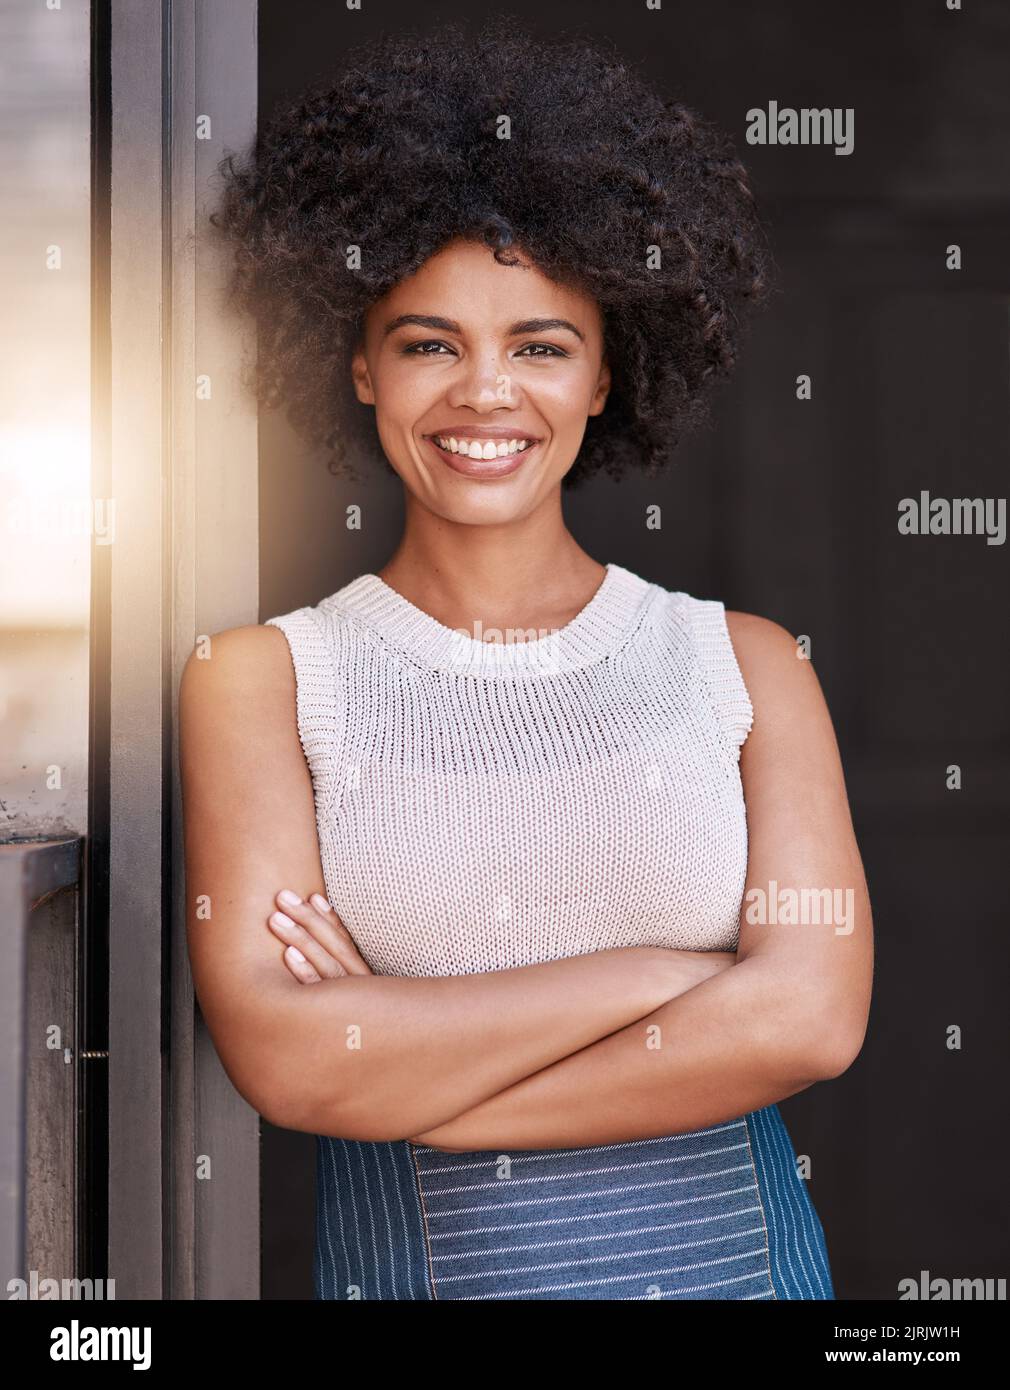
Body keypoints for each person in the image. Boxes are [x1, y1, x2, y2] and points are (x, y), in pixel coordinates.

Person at [180, 16, 873, 1300]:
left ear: (607, 375)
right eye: (428, 342)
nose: (483, 394)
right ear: (359, 365)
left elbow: (809, 1019)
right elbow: (292, 1062)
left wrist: (425, 1090)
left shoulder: (745, 664)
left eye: (540, 346)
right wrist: (664, 978)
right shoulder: (262, 682)